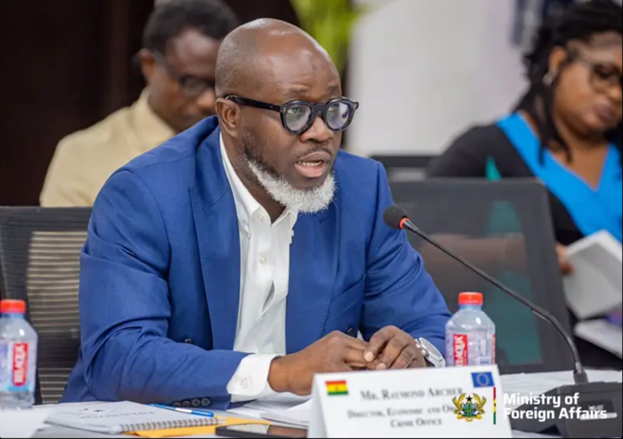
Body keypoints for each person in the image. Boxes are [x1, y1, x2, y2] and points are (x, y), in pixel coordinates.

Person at [61, 19, 451, 408]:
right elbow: (118, 355)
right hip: (163, 422)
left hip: (297, 425)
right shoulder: (147, 194)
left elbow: (429, 326)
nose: (321, 132)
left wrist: (413, 354)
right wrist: (280, 373)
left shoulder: (361, 190)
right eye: (296, 112)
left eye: (333, 109)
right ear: (230, 116)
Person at [427, 0, 621, 369]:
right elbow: (416, 252)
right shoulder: (486, 151)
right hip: (532, 362)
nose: (615, 95)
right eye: (603, 74)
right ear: (558, 62)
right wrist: (511, 252)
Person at [39, 0, 238, 207]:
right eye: (191, 83)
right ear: (148, 65)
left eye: (220, 85)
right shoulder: (84, 156)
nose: (208, 101)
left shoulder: (246, 150)